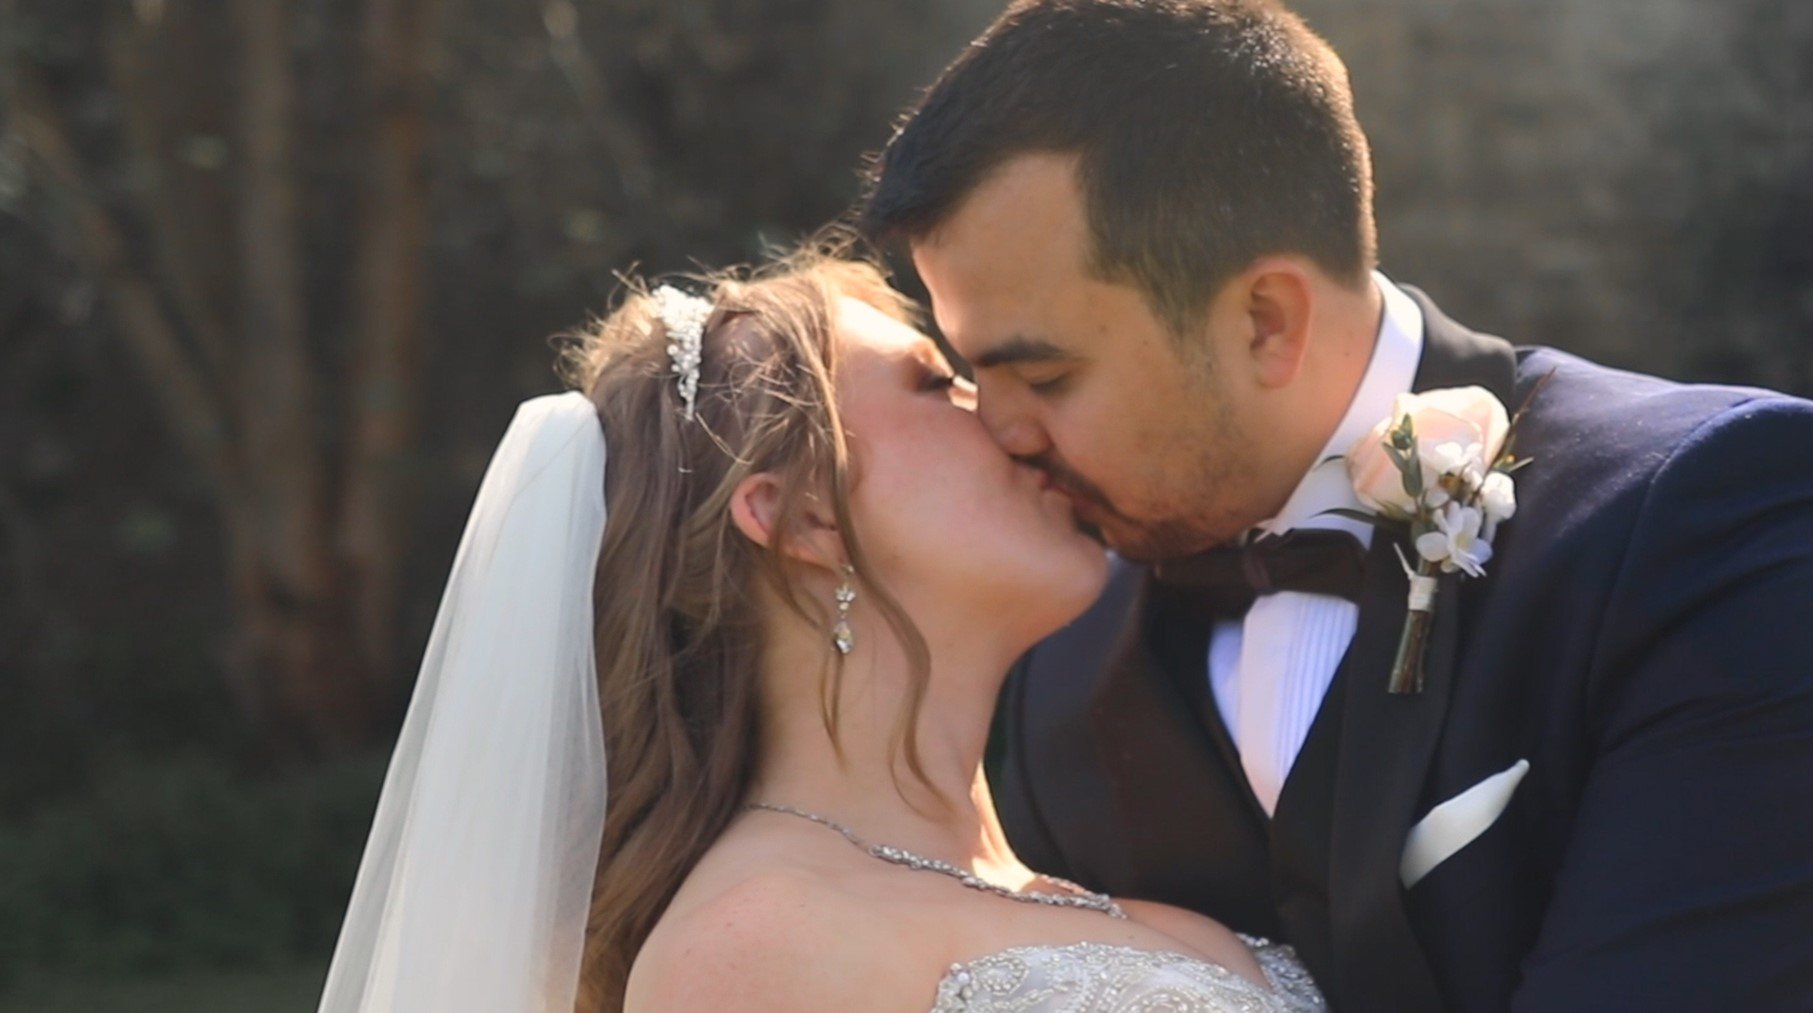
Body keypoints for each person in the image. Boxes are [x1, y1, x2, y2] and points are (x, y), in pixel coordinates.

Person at [855, 1, 1813, 1010]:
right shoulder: (1055, 644)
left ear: (1267, 319)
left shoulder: (1705, 514)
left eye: (1043, 378)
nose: (997, 431)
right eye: (968, 373)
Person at [317, 250, 1328, 1011]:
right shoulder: (753, 951)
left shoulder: (1119, 844)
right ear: (803, 516)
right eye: (939, 383)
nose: (1014, 418)